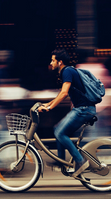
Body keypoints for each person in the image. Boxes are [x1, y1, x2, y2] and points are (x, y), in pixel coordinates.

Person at [38, 49, 96, 177]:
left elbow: (64, 93)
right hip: (82, 108)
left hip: (84, 109)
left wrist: (49, 108)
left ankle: (80, 161)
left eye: (53, 60)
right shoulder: (67, 71)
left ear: (60, 62)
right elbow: (63, 95)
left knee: (59, 132)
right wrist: (47, 104)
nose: (51, 62)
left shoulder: (67, 71)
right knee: (57, 129)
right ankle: (61, 161)